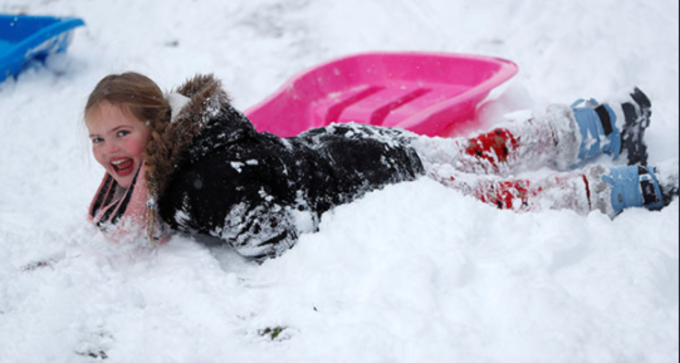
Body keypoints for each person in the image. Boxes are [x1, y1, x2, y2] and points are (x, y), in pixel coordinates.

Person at [85, 72, 678, 260]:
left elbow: (275, 238)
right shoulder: (198, 140)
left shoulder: (198, 184)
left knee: (496, 195)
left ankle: (623, 189)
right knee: (472, 155)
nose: (109, 149)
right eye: (97, 139)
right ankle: (595, 121)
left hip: (376, 179)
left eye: (122, 132)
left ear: (159, 127)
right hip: (353, 144)